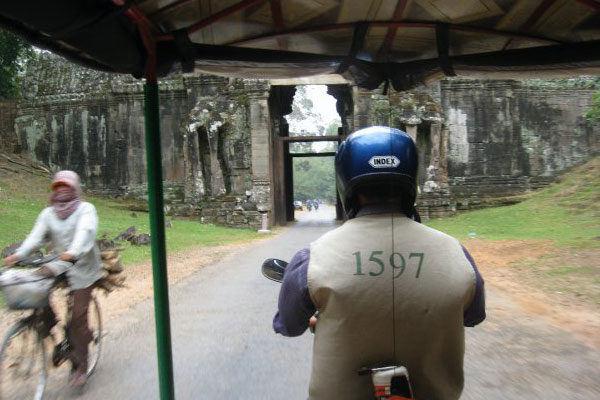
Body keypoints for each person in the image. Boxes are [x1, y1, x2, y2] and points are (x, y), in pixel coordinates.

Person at [273, 126, 485, 400]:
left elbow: (288, 326)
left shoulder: (314, 257)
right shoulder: (456, 253)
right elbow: (473, 316)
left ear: (347, 185)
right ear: (411, 183)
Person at [3, 170, 104, 387]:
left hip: (83, 265)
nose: (61, 191)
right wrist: (19, 255)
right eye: (57, 187)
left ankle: (81, 367)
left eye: (66, 187)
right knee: (37, 283)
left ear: (75, 188)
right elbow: (35, 237)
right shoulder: (49, 213)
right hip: (60, 262)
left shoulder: (86, 210)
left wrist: (74, 251)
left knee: (78, 318)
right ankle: (50, 322)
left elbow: (85, 232)